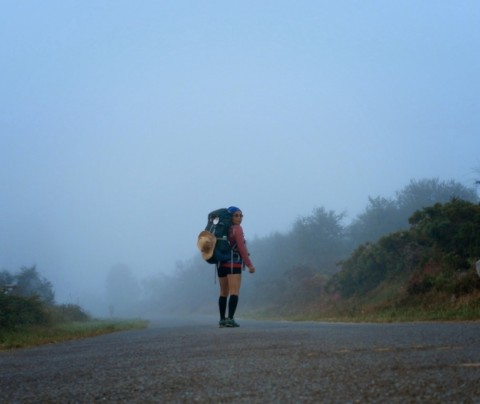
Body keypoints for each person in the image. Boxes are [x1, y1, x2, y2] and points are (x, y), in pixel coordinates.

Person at [217, 206, 255, 328]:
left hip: (220, 263)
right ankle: (231, 319)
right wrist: (249, 264)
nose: (239, 218)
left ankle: (222, 319)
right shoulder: (237, 229)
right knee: (234, 291)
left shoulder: (222, 229)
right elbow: (241, 248)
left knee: (223, 292)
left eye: (241, 215)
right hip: (234, 263)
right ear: (230, 217)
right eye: (236, 215)